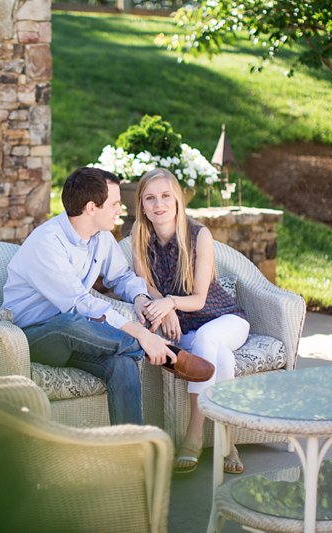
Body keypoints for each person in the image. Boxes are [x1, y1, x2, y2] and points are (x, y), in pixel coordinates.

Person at [1, 167, 177, 425]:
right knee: (70, 322)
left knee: (122, 364)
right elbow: (79, 305)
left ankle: (131, 444)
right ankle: (153, 348)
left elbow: (121, 276)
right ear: (92, 207)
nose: (120, 210)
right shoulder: (47, 243)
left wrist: (140, 297)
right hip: (35, 337)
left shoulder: (101, 236)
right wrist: (142, 334)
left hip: (82, 337)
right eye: (114, 204)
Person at [131, 168, 250, 474]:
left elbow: (198, 299)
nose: (159, 204)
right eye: (150, 198)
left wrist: (170, 302)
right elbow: (146, 285)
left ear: (178, 200)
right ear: (142, 204)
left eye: (165, 196)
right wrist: (166, 308)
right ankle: (229, 444)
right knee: (221, 360)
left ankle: (193, 436)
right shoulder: (139, 236)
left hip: (226, 320)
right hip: (187, 329)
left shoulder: (199, 235)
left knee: (209, 341)